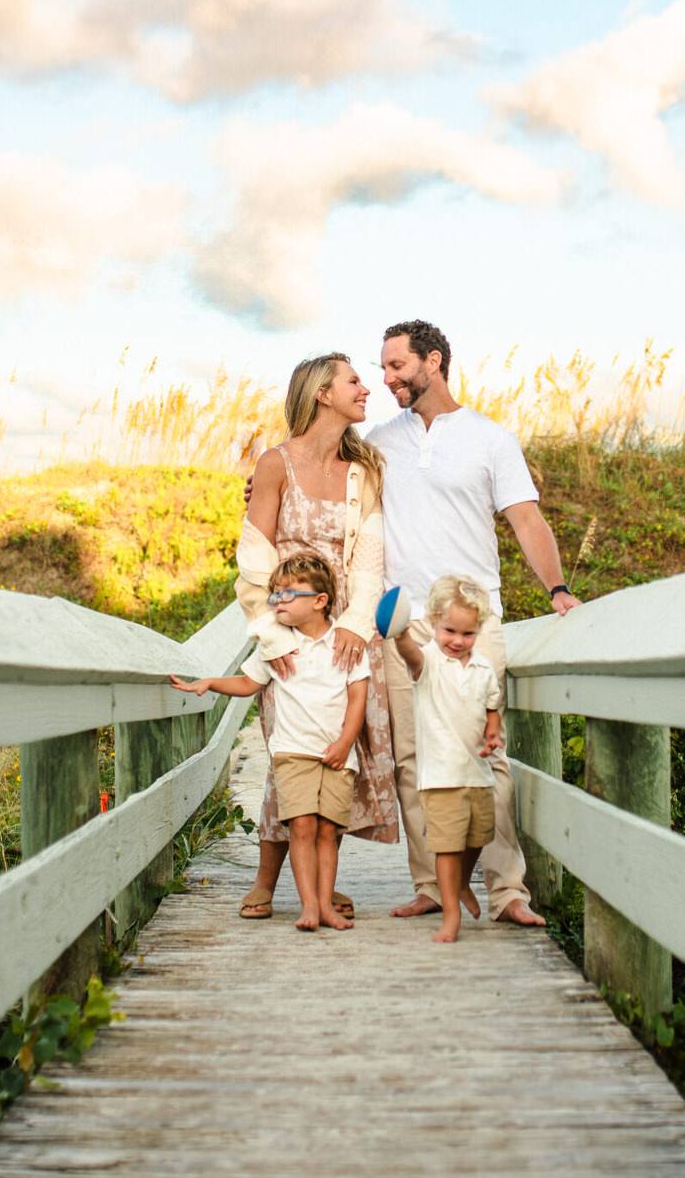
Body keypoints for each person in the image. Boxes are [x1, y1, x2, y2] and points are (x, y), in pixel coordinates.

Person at [371, 319, 581, 926]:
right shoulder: (379, 441)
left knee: (486, 755)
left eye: (397, 366)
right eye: (381, 368)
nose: (387, 379)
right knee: (412, 760)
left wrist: (558, 589)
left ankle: (507, 890)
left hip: (475, 619)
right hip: (405, 621)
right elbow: (321, 477)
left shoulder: (491, 439)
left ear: (433, 361)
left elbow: (525, 520)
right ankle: (433, 886)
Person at [235, 352, 400, 920]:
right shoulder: (275, 463)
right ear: (322, 394)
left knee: (337, 757)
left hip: (346, 634)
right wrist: (273, 639)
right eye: (354, 381)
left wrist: (356, 626)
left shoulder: (365, 470)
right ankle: (265, 878)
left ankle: (319, 885)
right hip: (288, 636)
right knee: (291, 752)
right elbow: (254, 562)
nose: (366, 389)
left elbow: (371, 558)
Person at [173, 552, 366, 932]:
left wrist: (346, 742)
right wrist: (211, 682)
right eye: (274, 594)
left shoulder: (344, 645)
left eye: (286, 595)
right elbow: (248, 684)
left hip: (338, 754)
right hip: (293, 753)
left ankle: (326, 903)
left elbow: (358, 697)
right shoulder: (276, 647)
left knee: (329, 831)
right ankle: (309, 906)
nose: (276, 602)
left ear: (320, 601)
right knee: (302, 828)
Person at [388, 574, 504, 944]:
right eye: (449, 630)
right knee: (448, 845)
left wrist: (492, 732)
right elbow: (409, 655)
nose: (457, 641)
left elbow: (491, 708)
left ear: (479, 630)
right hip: (441, 776)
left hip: (478, 774)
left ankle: (463, 886)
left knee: (477, 838)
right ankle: (451, 914)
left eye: (467, 634)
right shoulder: (429, 663)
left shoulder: (484, 668)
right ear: (435, 623)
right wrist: (400, 633)